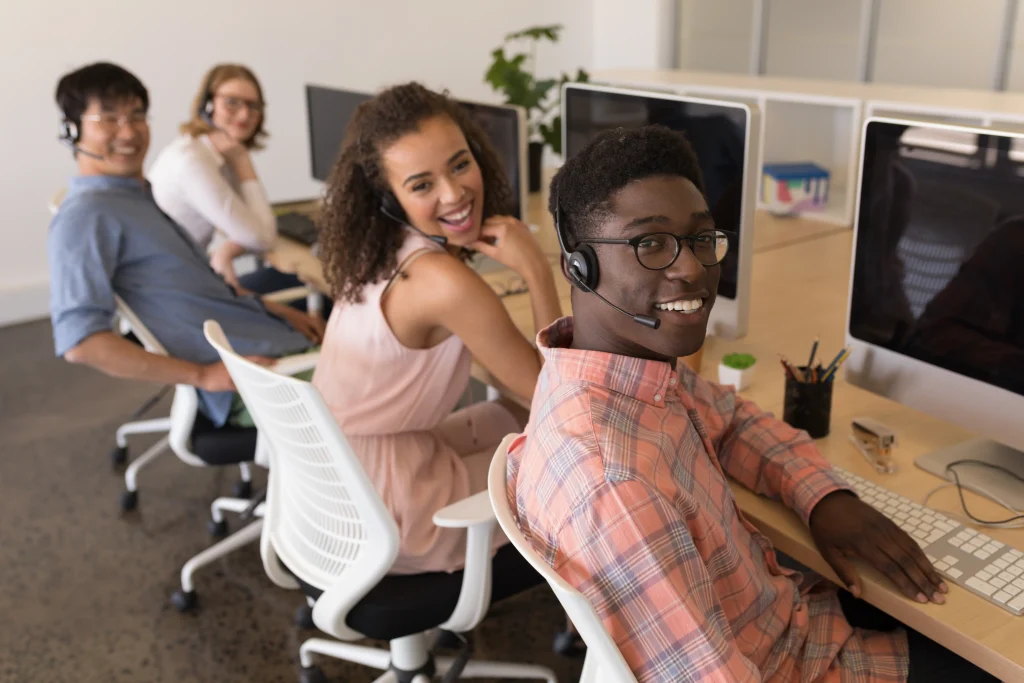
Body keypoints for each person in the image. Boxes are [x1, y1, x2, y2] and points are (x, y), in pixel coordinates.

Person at [507, 125, 998, 682]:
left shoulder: (620, 373)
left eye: (700, 238)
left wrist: (823, 498)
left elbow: (732, 417)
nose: (691, 267)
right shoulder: (616, 482)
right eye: (650, 244)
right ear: (579, 267)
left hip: (786, 619)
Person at [311, 82, 562, 575]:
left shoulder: (379, 251)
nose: (454, 193)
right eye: (422, 185)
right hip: (393, 508)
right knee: (575, 459)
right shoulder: (443, 282)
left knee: (512, 411)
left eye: (460, 164)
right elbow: (559, 402)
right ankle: (598, 622)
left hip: (337, 480)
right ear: (389, 196)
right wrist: (536, 270)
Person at [49, 62, 324, 429]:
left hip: (267, 342)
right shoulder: (87, 215)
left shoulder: (131, 196)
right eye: (109, 119)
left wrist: (274, 310)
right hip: (264, 381)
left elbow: (192, 288)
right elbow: (82, 343)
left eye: (137, 115)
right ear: (72, 130)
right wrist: (202, 375)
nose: (129, 132)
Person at [148, 63, 301, 297]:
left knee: (287, 278)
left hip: (189, 281)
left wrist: (226, 251)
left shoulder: (212, 151)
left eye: (253, 106)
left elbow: (251, 226)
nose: (244, 114)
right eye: (232, 102)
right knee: (322, 297)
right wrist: (243, 161)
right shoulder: (192, 162)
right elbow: (263, 237)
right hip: (178, 295)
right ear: (207, 105)